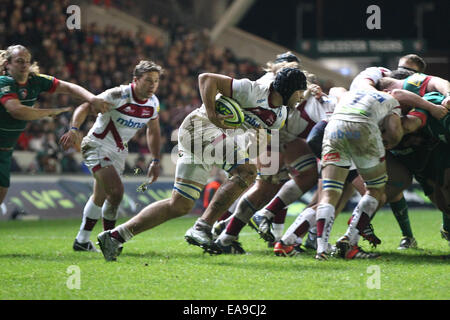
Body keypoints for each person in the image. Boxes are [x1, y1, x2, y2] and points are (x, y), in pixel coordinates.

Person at [96, 67, 307, 261]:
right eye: (299, 91)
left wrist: (249, 150)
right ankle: (203, 226)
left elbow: (261, 139)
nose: (301, 97)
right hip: (200, 127)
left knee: (179, 205)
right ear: (288, 89)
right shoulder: (253, 90)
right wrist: (213, 113)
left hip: (208, 139)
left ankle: (115, 237)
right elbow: (206, 78)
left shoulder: (280, 115)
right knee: (247, 172)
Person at [60, 60, 163, 252]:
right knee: (116, 192)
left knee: (100, 195)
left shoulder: (153, 103)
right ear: (135, 80)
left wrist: (156, 160)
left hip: (117, 152)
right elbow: (85, 106)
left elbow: (154, 131)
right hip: (96, 145)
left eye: (156, 81)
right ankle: (110, 240)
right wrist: (74, 129)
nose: (152, 85)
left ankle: (82, 240)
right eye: (148, 80)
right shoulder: (119, 95)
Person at [0, 44, 108, 208]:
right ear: (7, 64)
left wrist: (92, 98)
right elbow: (16, 111)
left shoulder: (35, 80)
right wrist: (48, 112)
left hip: (6, 150)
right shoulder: (4, 81)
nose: (24, 65)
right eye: (19, 61)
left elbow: (69, 87)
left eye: (27, 62)